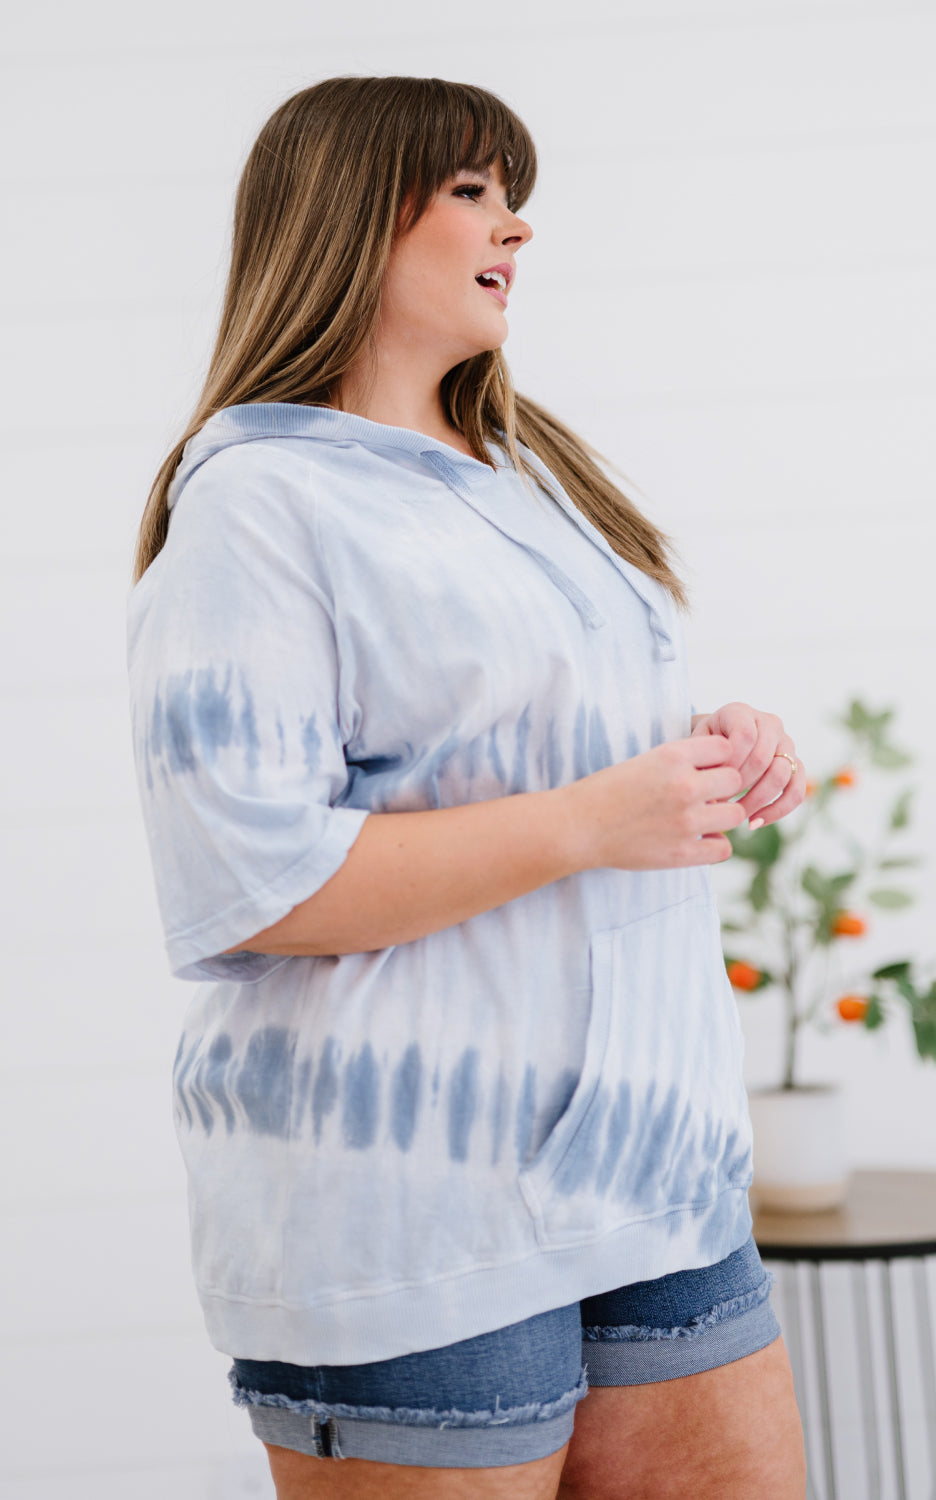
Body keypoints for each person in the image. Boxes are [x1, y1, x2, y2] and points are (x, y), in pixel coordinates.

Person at [127, 75, 807, 1499]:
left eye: (515, 195)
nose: (518, 225)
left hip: (653, 1170)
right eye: (474, 191)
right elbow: (253, 883)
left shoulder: (522, 470)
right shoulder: (258, 503)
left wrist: (703, 749)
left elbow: (517, 751)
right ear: (351, 215)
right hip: (413, 1214)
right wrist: (591, 820)